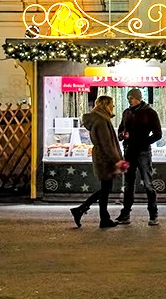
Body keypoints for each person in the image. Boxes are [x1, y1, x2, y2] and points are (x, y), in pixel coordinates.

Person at [71, 95, 122, 231]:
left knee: (106, 189)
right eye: (112, 104)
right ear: (106, 105)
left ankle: (103, 218)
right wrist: (117, 160)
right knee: (106, 189)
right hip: (105, 158)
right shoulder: (101, 120)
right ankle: (81, 210)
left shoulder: (99, 119)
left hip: (102, 157)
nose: (113, 106)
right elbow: (106, 144)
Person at [116, 89, 161, 226]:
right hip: (129, 151)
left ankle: (153, 214)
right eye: (128, 98)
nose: (129, 100)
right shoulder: (127, 112)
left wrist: (144, 142)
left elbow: (158, 134)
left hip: (143, 152)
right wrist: (122, 135)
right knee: (128, 183)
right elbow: (120, 129)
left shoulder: (150, 113)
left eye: (132, 97)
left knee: (148, 183)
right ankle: (126, 213)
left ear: (138, 98)